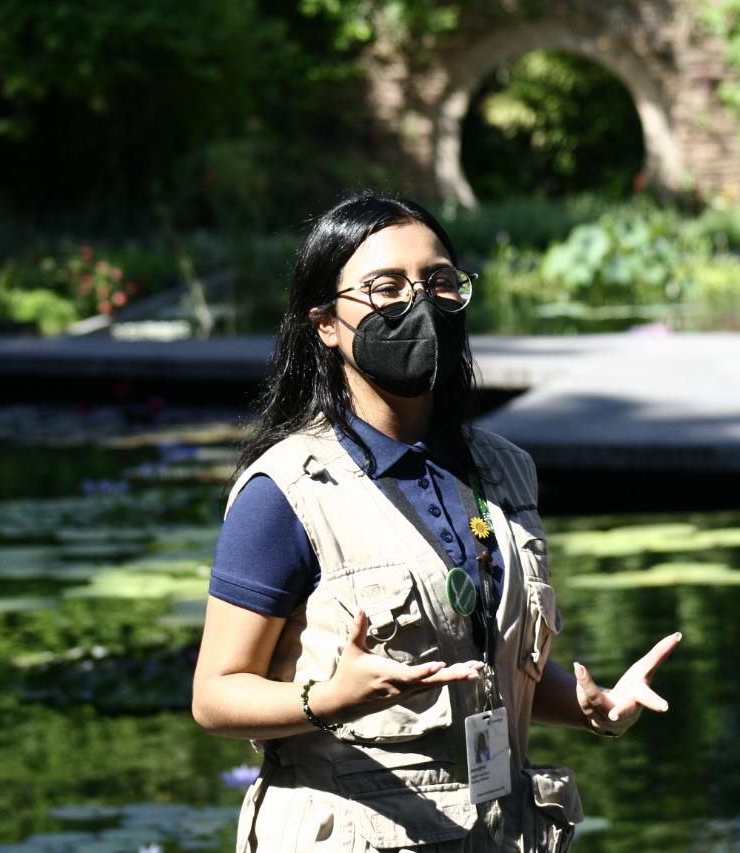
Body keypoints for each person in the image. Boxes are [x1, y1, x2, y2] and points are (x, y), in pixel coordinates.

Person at [191, 190, 681, 852]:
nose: (419, 304)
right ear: (326, 323)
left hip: (501, 830)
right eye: (386, 287)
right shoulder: (288, 490)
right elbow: (215, 696)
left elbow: (483, 662)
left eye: (439, 282)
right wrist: (327, 698)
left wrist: (592, 706)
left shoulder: (503, 469)